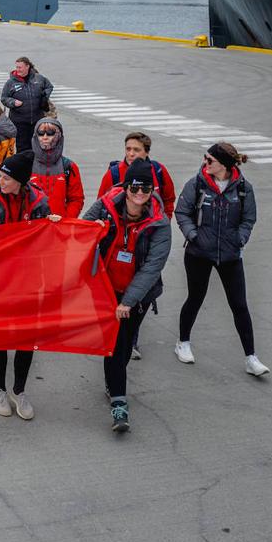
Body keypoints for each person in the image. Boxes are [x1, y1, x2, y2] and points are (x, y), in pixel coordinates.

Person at [0, 151, 60, 421]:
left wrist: (53, 226)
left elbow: (50, 242)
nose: (0, 181)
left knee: (26, 337)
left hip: (28, 283)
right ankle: (0, 390)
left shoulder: (39, 203)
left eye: (6, 178)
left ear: (20, 181)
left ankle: (20, 390)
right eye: (1, 176)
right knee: (0, 336)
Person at [82, 159, 171, 432]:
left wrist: (128, 302)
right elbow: (81, 228)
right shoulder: (108, 204)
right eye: (135, 187)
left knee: (124, 343)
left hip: (137, 295)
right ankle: (119, 405)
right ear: (126, 186)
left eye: (146, 188)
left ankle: (112, 382)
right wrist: (94, 228)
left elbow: (152, 267)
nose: (140, 193)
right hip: (107, 288)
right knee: (116, 344)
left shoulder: (159, 222)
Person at [173, 143, 268, 375]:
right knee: (195, 298)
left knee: (239, 305)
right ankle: (183, 343)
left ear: (223, 165)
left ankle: (251, 358)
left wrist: (241, 238)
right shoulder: (197, 184)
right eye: (204, 159)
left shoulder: (244, 188)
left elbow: (249, 219)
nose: (205, 164)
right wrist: (193, 236)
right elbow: (182, 211)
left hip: (230, 255)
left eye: (210, 161)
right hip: (198, 254)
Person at [98, 132, 177, 217]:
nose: (131, 154)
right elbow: (100, 204)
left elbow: (169, 199)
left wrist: (165, 221)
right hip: (122, 227)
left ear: (147, 152)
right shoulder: (114, 173)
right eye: (128, 149)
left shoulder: (158, 169)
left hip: (153, 226)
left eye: (136, 150)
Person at [28, 118, 84, 219]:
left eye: (50, 133)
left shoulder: (69, 166)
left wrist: (66, 220)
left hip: (59, 227)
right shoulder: (26, 164)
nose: (45, 137)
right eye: (40, 133)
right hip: (33, 228)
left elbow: (76, 199)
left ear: (58, 136)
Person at [0, 56, 54, 140]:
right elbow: (4, 98)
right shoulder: (11, 82)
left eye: (20, 67)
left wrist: (44, 97)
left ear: (27, 66)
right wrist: (13, 102)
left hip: (37, 120)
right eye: (16, 67)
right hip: (19, 122)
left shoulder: (38, 78)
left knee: (37, 145)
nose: (18, 69)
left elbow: (49, 87)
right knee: (22, 148)